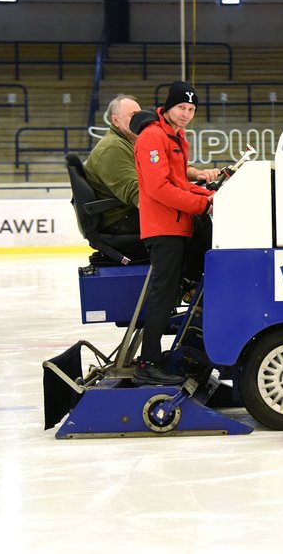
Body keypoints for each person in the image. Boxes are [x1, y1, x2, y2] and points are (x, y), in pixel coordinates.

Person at [130, 81, 216, 386]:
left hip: (177, 224)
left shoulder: (177, 137)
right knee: (163, 296)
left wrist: (208, 196)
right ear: (167, 107)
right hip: (162, 227)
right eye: (182, 107)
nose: (186, 114)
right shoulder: (153, 137)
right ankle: (148, 361)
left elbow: (179, 182)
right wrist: (201, 205)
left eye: (191, 110)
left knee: (169, 295)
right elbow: (159, 188)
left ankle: (156, 355)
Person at [85, 94, 220, 235]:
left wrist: (198, 177)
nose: (139, 118)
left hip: (129, 212)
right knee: (192, 219)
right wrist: (195, 202)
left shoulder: (134, 141)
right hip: (120, 218)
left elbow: (170, 171)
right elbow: (137, 193)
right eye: (133, 115)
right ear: (116, 120)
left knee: (195, 215)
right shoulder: (112, 148)